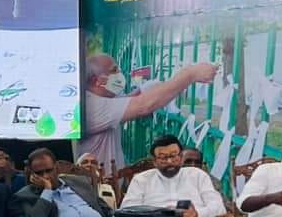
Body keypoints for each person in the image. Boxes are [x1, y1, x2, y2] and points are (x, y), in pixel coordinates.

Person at [78, 53, 218, 172]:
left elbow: (126, 102)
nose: (119, 74)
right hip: (98, 189)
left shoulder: (103, 99)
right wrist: (190, 74)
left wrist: (144, 89)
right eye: (113, 70)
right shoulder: (90, 106)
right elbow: (144, 105)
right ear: (96, 81)